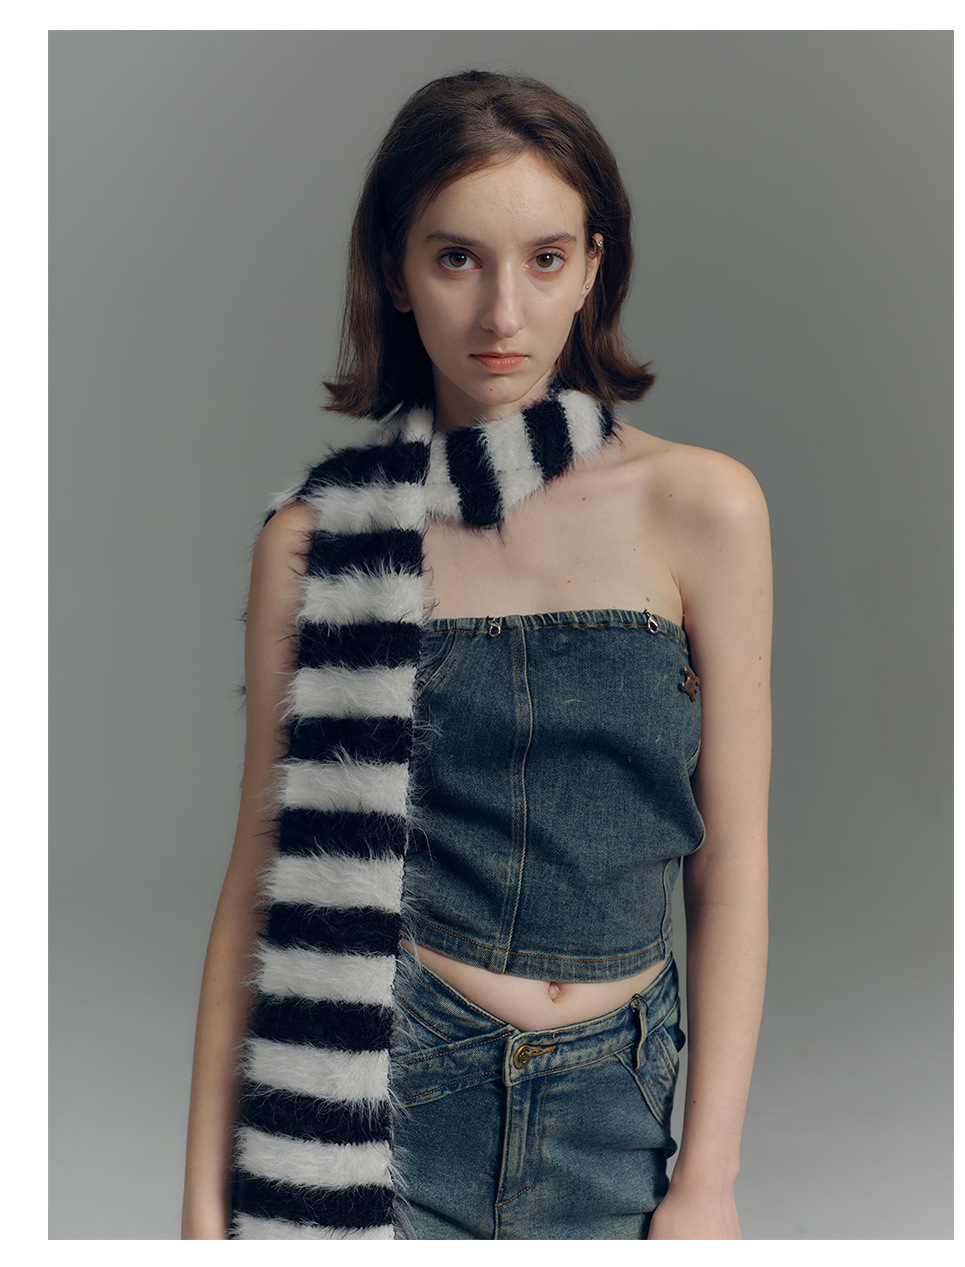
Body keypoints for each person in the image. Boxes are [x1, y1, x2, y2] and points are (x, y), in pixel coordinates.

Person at [182, 69, 771, 1241]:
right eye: (457, 258)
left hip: (618, 1102)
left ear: (593, 266)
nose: (503, 314)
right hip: (384, 1098)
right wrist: (202, 1212)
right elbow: (261, 878)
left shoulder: (703, 507)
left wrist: (707, 1177)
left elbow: (733, 862)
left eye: (543, 259)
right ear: (395, 272)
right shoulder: (320, 539)